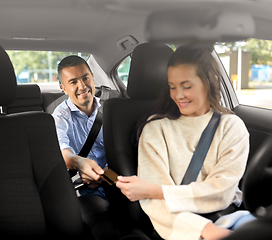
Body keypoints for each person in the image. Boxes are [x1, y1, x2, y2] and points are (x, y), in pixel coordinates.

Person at [116, 46, 254, 240]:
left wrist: (158, 191)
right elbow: (154, 204)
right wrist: (206, 230)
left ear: (211, 82)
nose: (178, 95)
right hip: (178, 228)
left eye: (187, 86)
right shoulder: (155, 130)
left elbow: (221, 192)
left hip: (230, 218)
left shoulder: (232, 127)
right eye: (172, 86)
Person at [52, 55, 122, 240]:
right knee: (101, 222)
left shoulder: (111, 109)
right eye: (73, 82)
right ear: (63, 87)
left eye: (85, 78)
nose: (82, 86)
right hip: (82, 185)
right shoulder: (60, 117)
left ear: (92, 76)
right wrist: (80, 163)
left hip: (115, 179)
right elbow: (63, 152)